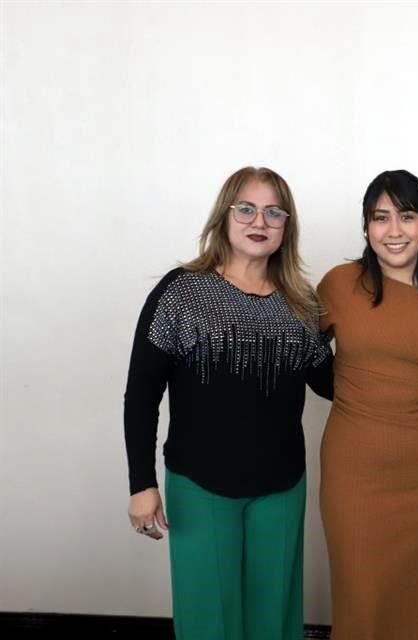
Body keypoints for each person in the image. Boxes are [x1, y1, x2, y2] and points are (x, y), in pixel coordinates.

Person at [122, 166, 333, 640]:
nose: (260, 220)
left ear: (287, 226)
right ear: (224, 215)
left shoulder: (302, 303)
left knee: (274, 621)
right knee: (208, 623)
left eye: (274, 211)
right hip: (201, 486)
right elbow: (141, 394)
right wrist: (141, 483)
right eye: (247, 208)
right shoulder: (181, 293)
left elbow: (332, 384)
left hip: (281, 487)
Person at [315, 169, 418, 640]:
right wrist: (357, 393)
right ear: (366, 228)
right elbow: (304, 359)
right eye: (380, 218)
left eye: (406, 216)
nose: (394, 230)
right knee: (360, 600)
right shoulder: (339, 285)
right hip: (353, 474)